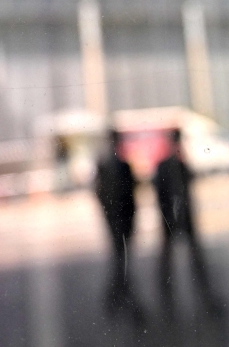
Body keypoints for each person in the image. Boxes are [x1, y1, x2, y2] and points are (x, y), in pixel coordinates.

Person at [153, 128, 221, 314]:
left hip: (183, 218)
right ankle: (167, 298)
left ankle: (201, 295)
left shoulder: (179, 164)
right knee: (171, 261)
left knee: (192, 259)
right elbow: (162, 195)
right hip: (172, 218)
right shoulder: (168, 166)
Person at [94, 129, 141, 318]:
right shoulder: (114, 165)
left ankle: (117, 298)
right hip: (119, 219)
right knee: (121, 260)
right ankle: (120, 298)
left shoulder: (113, 165)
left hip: (119, 219)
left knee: (121, 260)